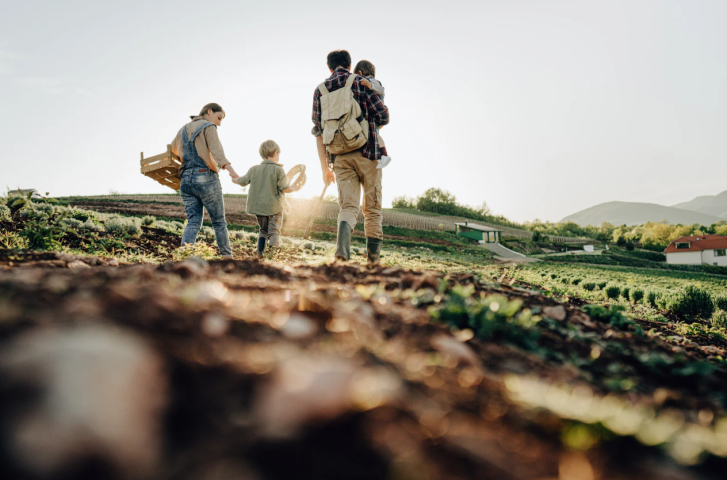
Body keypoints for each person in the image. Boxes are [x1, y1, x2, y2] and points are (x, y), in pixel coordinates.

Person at [312, 50, 390, 264]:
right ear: (350, 65)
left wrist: (324, 169)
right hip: (368, 152)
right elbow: (383, 115)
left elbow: (318, 132)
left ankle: (342, 254)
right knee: (372, 208)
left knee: (348, 207)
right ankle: (373, 262)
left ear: (329, 68)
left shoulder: (320, 90)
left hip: (339, 158)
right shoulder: (360, 82)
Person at [171, 103, 239, 259]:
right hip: (206, 178)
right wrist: (232, 172)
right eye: (219, 118)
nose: (219, 123)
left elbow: (173, 151)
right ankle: (227, 258)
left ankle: (185, 256)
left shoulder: (183, 129)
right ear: (209, 112)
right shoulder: (209, 127)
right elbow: (218, 153)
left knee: (193, 221)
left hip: (186, 180)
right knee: (219, 222)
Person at [233, 140, 299, 257]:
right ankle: (273, 255)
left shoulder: (254, 169)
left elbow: (242, 181)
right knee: (274, 232)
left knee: (263, 231)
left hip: (259, 208)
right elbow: (283, 188)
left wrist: (234, 179)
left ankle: (260, 254)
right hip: (274, 208)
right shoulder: (279, 170)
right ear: (276, 153)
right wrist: (293, 188)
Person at [354, 60, 391, 169]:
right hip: (373, 115)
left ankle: (384, 155)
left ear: (360, 72)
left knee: (375, 135)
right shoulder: (370, 81)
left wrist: (370, 85)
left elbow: (381, 90)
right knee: (375, 134)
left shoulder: (373, 82)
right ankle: (383, 154)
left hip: (375, 115)